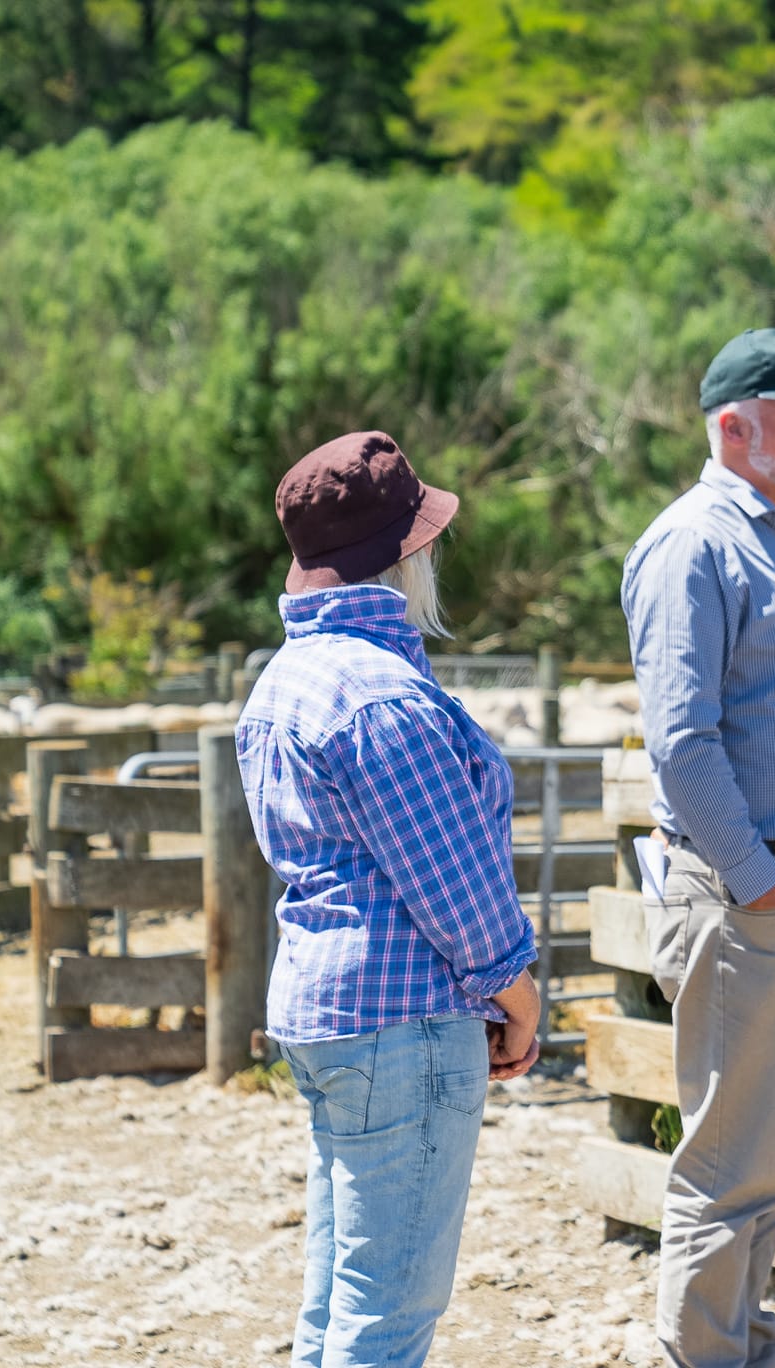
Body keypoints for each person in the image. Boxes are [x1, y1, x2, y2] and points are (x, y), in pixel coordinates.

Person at [236, 431, 543, 1368]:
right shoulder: (382, 693)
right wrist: (518, 996)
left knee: (339, 1297)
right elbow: (456, 885)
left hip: (327, 1013)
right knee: (390, 1313)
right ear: (403, 554)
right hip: (403, 1019)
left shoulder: (282, 682)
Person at [620, 328, 775, 1368]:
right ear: (731, 427)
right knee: (731, 1165)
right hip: (755, 894)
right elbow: (679, 741)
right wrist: (759, 883)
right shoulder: (692, 542)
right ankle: (700, 1357)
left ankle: (735, 1345)